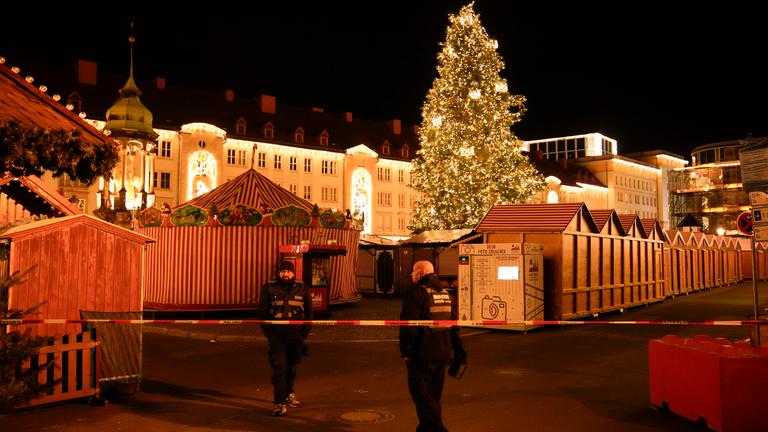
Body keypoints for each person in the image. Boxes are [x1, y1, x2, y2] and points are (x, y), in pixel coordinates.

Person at [399, 260, 466, 432]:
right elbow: (453, 324)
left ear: (421, 273)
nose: (411, 275)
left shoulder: (418, 293)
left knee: (422, 396)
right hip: (442, 353)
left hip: (422, 354)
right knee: (433, 398)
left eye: (413, 272)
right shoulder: (443, 293)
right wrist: (459, 350)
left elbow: (408, 325)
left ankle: (437, 430)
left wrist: (406, 351)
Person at [257, 260, 312, 417]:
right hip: (277, 336)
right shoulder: (268, 288)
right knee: (279, 367)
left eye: (288, 271)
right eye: (282, 271)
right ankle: (279, 403)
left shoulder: (302, 288)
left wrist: (303, 335)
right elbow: (262, 314)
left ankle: (289, 394)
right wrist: (271, 335)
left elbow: (309, 315)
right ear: (278, 273)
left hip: (296, 336)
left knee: (292, 366)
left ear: (293, 273)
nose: (285, 274)